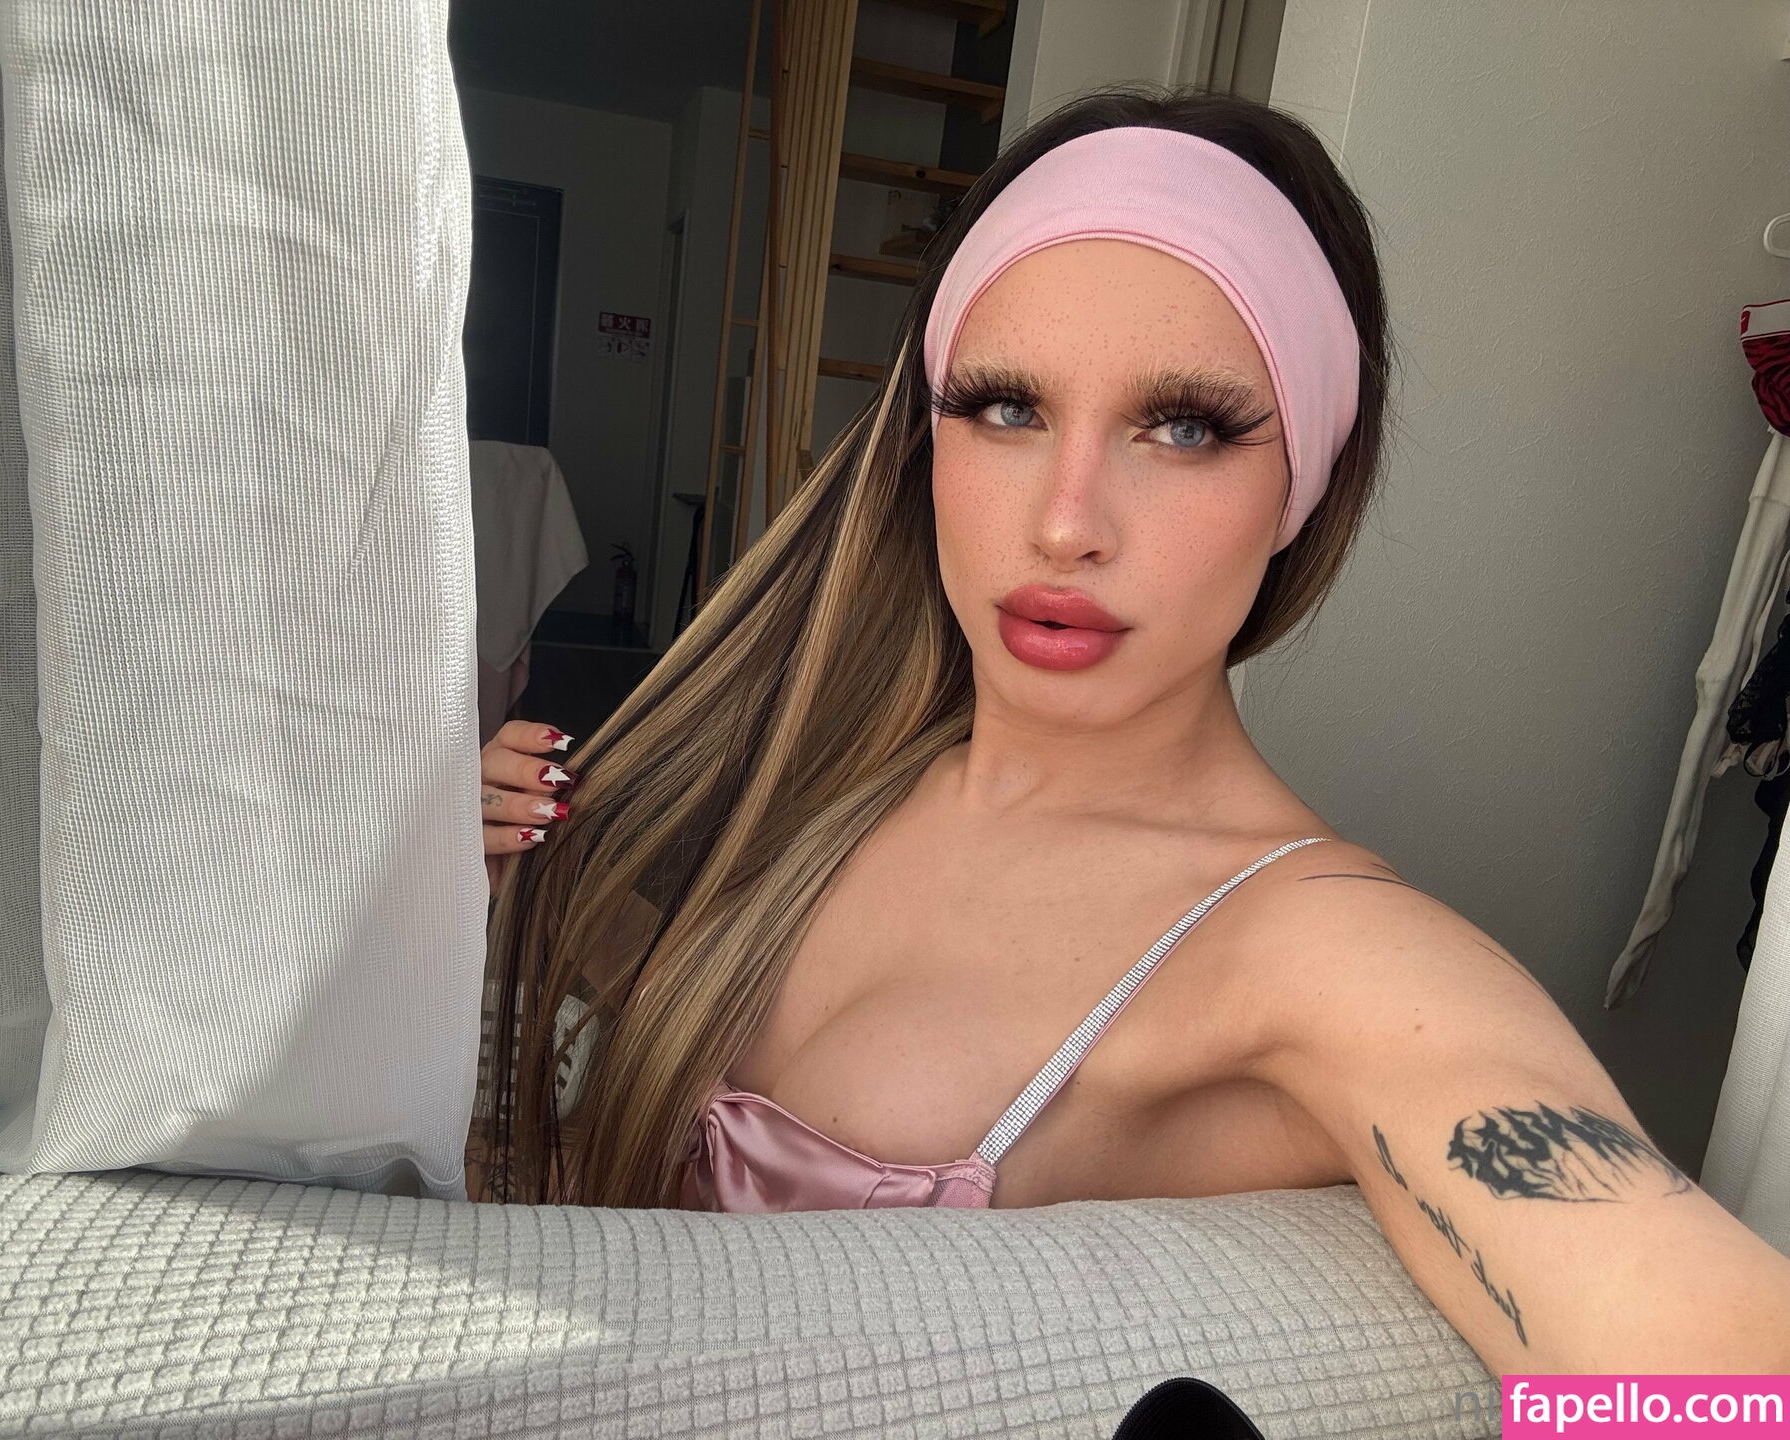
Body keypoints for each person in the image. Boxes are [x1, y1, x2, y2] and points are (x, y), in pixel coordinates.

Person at [477, 85, 1790, 1377]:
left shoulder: (1322, 948)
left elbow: (1722, 1372)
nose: (1065, 523)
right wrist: (511, 884)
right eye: (1006, 407)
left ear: (1302, 487)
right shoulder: (842, 770)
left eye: (1184, 427)